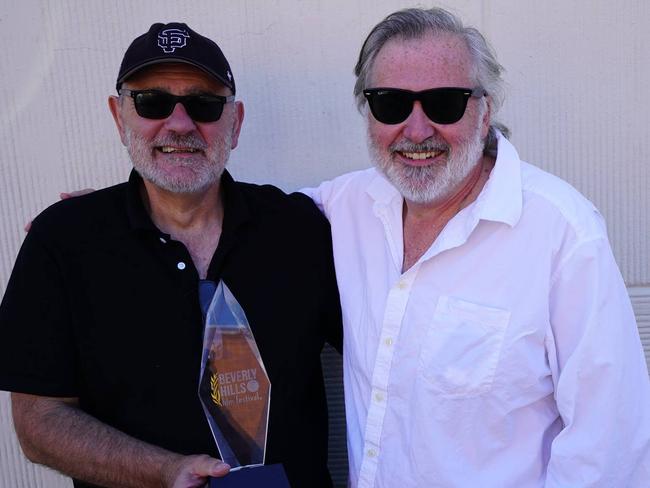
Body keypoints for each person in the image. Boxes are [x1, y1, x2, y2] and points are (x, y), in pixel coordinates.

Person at [304, 7, 650, 487]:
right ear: (367, 111)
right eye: (390, 103)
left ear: (485, 110)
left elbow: (609, 448)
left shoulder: (562, 234)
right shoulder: (346, 206)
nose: (418, 130)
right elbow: (234, 219)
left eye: (444, 103)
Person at [0, 23, 341, 488]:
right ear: (119, 118)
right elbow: (38, 421)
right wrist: (164, 470)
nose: (179, 125)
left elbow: (390, 345)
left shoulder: (301, 229)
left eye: (203, 104)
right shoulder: (63, 242)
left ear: (235, 122)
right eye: (152, 103)